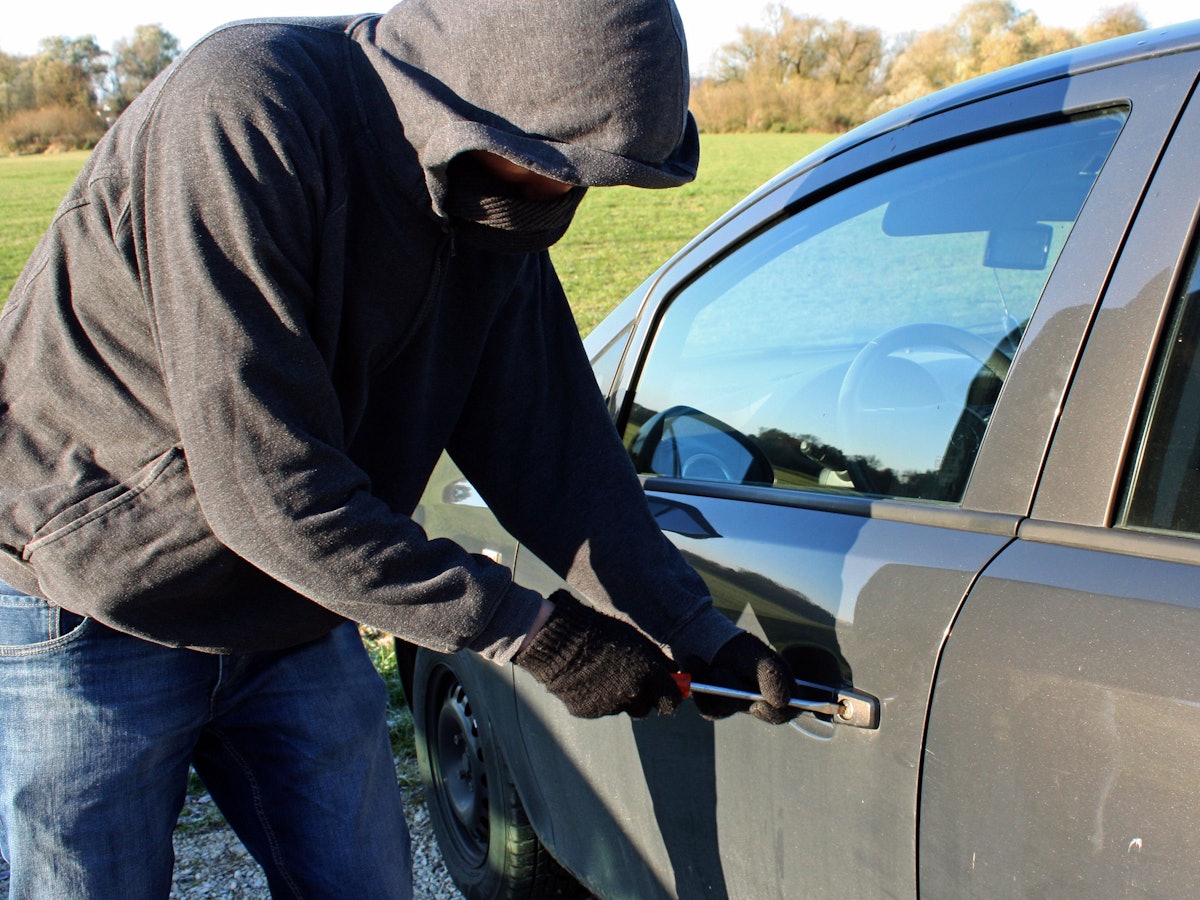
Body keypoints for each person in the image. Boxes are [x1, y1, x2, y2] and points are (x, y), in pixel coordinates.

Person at [0, 0, 795, 896]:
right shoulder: (248, 109)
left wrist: (691, 628)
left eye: (584, 181)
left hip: (293, 601)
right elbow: (265, 482)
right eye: (548, 170)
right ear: (463, 102)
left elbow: (557, 453)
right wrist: (529, 631)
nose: (559, 202)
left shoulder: (499, 196)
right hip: (95, 588)